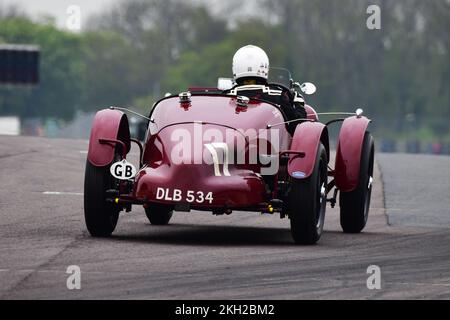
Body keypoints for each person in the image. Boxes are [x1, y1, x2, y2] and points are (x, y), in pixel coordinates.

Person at [226, 45, 307, 133]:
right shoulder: (278, 95)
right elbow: (297, 127)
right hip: (272, 145)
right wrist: (299, 104)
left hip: (232, 144)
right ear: (264, 67)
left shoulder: (226, 97)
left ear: (235, 67)